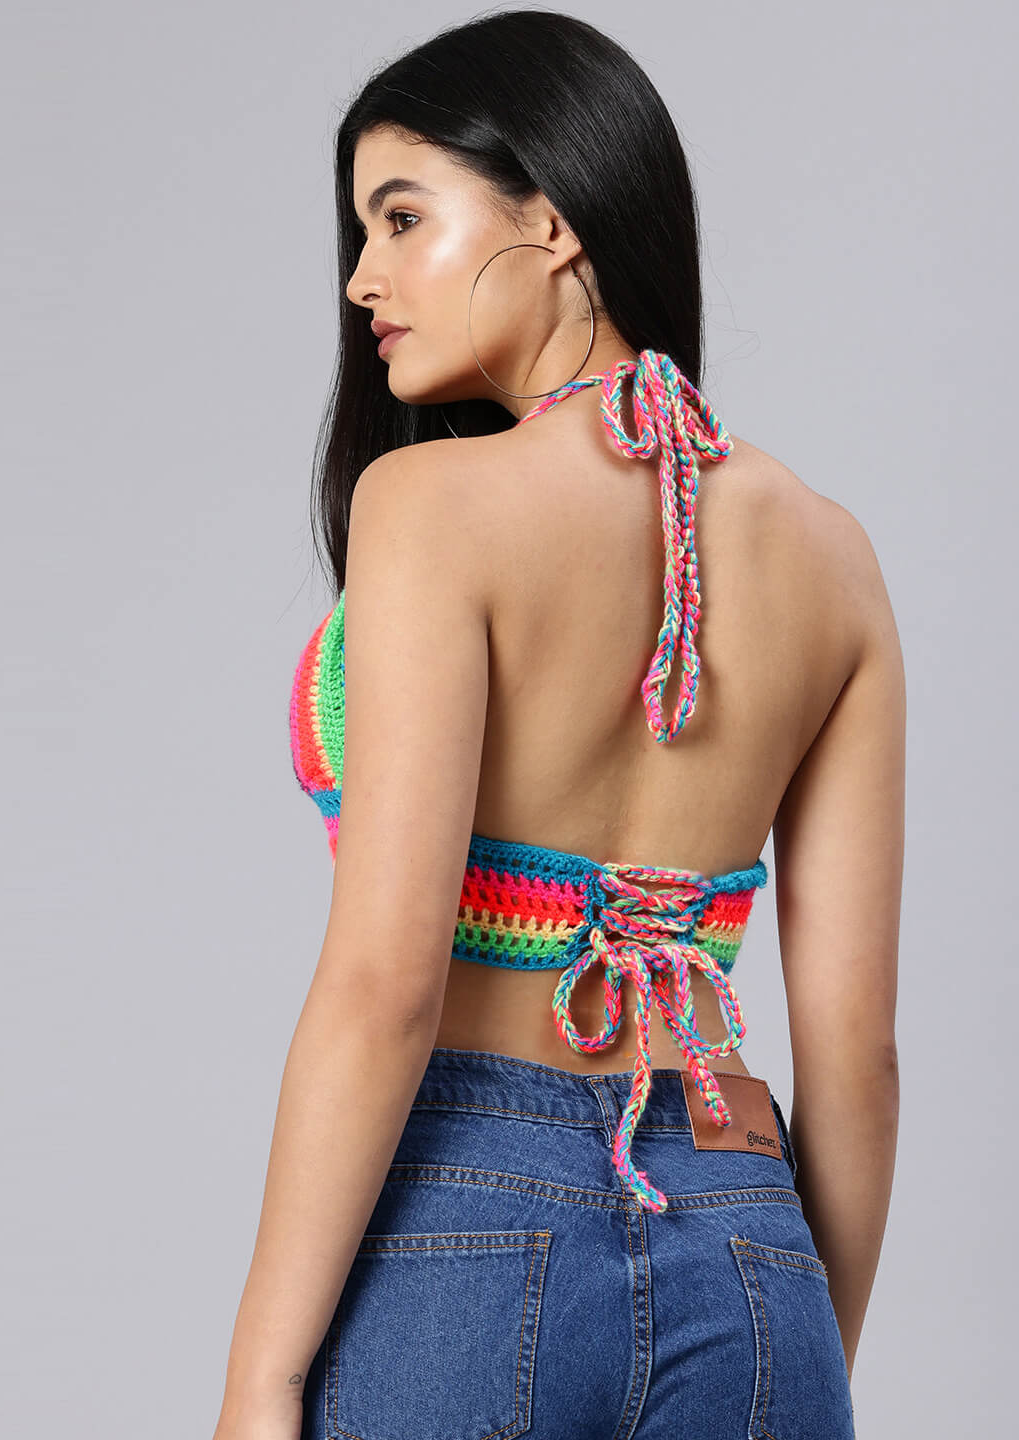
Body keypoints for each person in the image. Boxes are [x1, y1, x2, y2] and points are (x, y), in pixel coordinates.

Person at [214, 12, 903, 1440]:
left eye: (404, 217)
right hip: (750, 1238)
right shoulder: (834, 558)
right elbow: (855, 1056)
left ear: (554, 217)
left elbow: (386, 985)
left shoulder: (430, 507)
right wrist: (794, 1343)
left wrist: (260, 1382)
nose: (362, 278)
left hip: (470, 1221)